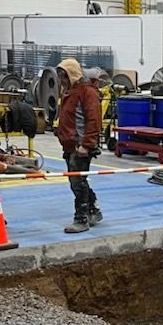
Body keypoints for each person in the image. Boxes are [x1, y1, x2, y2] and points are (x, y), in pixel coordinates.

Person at [56, 58, 102, 233]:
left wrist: (87, 144)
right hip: (71, 145)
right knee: (77, 181)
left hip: (80, 146)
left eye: (64, 77)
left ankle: (81, 219)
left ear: (73, 75)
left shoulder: (86, 92)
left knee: (78, 183)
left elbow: (93, 120)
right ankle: (93, 209)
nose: (62, 81)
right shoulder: (68, 91)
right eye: (60, 77)